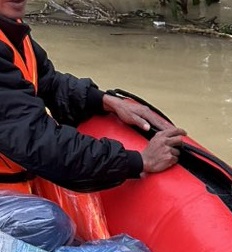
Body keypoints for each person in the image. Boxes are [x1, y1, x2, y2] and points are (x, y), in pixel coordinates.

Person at [0, 0, 185, 192]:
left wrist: (105, 101)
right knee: (49, 220)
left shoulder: (12, 29)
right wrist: (139, 160)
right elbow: (35, 140)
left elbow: (48, 82)